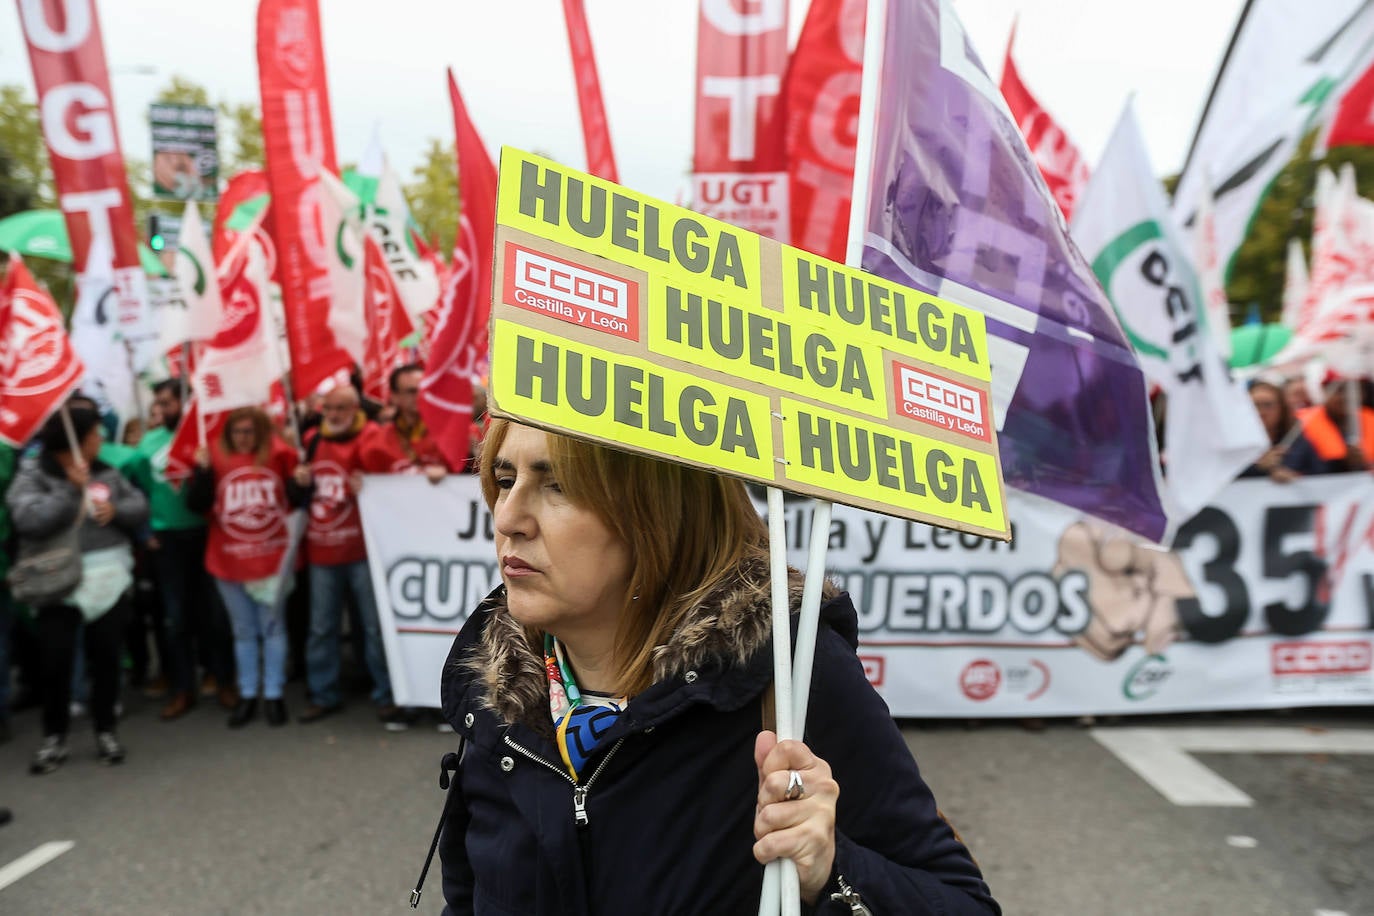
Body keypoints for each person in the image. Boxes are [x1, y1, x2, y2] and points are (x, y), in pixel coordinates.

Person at [430, 420, 999, 914]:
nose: (508, 517)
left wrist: (831, 869)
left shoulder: (788, 677)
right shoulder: (495, 691)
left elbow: (958, 900)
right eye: (504, 480)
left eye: (558, 485)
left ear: (660, 508)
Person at [8, 408, 148, 774]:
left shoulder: (106, 471)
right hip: (58, 581)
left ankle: (106, 731)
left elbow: (139, 506)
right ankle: (54, 738)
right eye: (96, 435)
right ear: (76, 440)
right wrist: (69, 491)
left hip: (108, 580)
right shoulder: (34, 474)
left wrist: (115, 510)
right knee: (55, 663)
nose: (101, 440)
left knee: (106, 660)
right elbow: (27, 519)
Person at [288, 385, 399, 726]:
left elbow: (391, 476)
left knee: (373, 626)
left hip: (362, 549)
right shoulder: (311, 440)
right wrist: (299, 481)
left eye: (340, 408)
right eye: (328, 409)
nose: (333, 415)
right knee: (322, 626)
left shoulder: (370, 437)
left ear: (354, 408)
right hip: (322, 549)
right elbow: (295, 496)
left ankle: (386, 694)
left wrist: (370, 481)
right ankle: (323, 693)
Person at [185, 407, 301, 728]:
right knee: (244, 631)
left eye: (250, 431)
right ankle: (249, 693)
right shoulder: (214, 458)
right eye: (237, 431)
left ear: (261, 432)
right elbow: (196, 505)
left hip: (272, 558)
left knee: (273, 629)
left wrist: (302, 482)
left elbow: (299, 499)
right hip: (229, 559)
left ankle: (274, 693)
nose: (243, 438)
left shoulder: (280, 455)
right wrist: (204, 473)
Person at [132, 380, 236, 718]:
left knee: (215, 615)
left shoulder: (208, 440)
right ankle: (182, 689)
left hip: (206, 534)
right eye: (158, 403)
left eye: (168, 402)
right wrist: (146, 531)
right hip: (168, 542)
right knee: (175, 618)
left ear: (186, 403)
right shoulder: (147, 445)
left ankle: (224, 681)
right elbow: (139, 495)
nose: (161, 409)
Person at [359, 363, 452, 480]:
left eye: (424, 389)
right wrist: (360, 484)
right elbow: (368, 483)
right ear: (394, 396)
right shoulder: (376, 442)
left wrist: (450, 475)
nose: (420, 395)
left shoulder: (452, 436)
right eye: (412, 391)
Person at [1282, 376, 1374, 476]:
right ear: (1325, 391)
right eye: (1340, 390)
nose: (1348, 397)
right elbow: (1293, 466)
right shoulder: (1301, 424)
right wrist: (1344, 463)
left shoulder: (1370, 419)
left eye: (1356, 391)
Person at [1238, 379, 1298, 482]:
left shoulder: (1296, 439)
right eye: (1254, 405)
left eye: (1268, 405)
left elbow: (1319, 472)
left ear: (1281, 408)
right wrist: (1257, 468)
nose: (1261, 412)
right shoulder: (1235, 443)